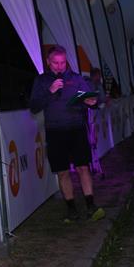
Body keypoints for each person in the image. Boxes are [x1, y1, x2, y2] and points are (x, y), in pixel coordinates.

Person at [29, 45, 105, 223]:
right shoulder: (41, 81)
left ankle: (91, 206)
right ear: (48, 62)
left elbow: (92, 99)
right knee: (62, 172)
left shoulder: (76, 78)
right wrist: (50, 92)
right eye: (55, 63)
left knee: (83, 167)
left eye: (63, 62)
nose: (60, 66)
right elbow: (34, 107)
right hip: (55, 131)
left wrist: (92, 102)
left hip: (76, 129)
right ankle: (71, 209)